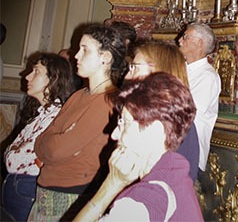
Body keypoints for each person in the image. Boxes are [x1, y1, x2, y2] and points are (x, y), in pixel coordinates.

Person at [72, 74, 203, 222]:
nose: (114, 135)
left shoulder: (140, 203)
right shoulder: (174, 169)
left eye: (124, 123)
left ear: (155, 131)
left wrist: (111, 185)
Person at [28, 24, 127, 221]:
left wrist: (52, 141)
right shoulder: (78, 95)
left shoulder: (108, 101)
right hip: (44, 193)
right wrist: (52, 140)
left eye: (85, 50)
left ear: (105, 58)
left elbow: (56, 151)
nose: (76, 56)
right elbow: (40, 142)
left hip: (69, 197)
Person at [2, 53, 75, 221]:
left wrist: (15, 151)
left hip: (27, 191)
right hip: (19, 189)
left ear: (53, 79)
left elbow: (13, 161)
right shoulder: (41, 114)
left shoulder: (56, 117)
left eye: (36, 71)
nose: (27, 76)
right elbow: (10, 153)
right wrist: (14, 151)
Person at [125, 39, 199, 180]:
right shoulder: (141, 114)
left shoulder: (175, 123)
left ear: (157, 72)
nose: (127, 76)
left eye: (134, 67)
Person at [178, 23, 221, 174]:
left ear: (199, 43)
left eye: (185, 37)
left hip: (188, 149)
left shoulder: (207, 76)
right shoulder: (180, 69)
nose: (179, 40)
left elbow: (188, 112)